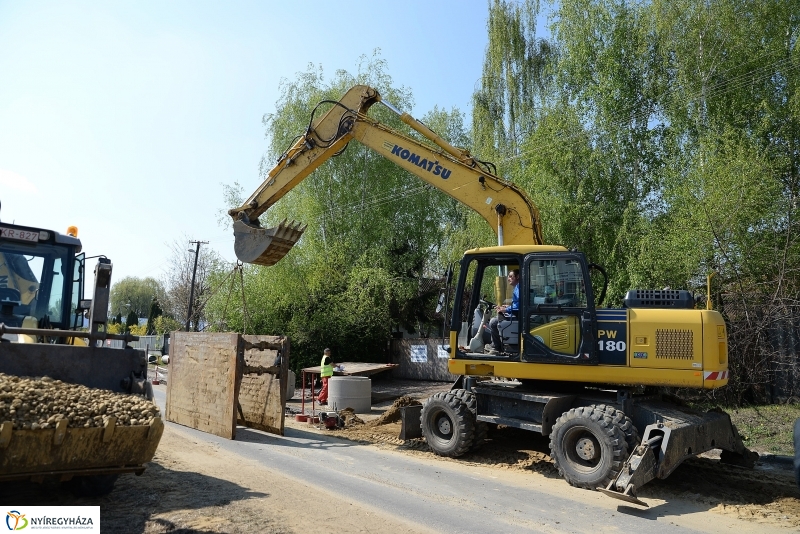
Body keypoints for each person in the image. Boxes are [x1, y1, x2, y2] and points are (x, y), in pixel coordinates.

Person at [490, 269, 519, 353]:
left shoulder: (520, 288)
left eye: (511, 276)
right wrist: (508, 307)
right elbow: (517, 304)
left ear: (517, 276)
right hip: (516, 313)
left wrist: (506, 309)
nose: (508, 279)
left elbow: (520, 306)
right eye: (508, 277)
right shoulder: (517, 287)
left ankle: (496, 347)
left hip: (518, 316)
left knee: (493, 322)